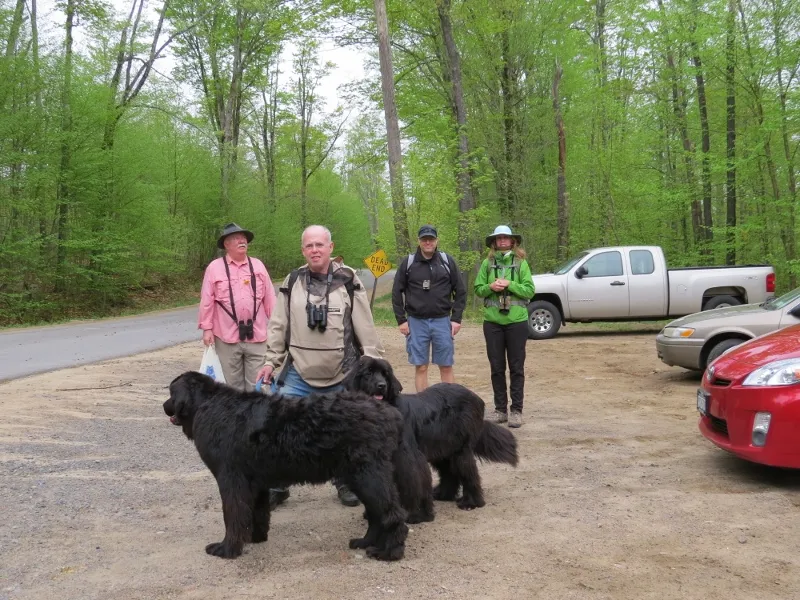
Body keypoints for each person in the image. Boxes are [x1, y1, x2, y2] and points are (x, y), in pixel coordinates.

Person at [256, 225, 385, 508]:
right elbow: (278, 326)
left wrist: (372, 358)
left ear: (331, 247)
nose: (314, 250)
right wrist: (270, 362)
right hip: (299, 374)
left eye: (320, 245)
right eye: (309, 246)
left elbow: (364, 323)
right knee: (279, 430)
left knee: (344, 433)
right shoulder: (292, 281)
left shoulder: (349, 279)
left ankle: (346, 482)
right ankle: (278, 484)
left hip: (341, 374)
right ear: (303, 250)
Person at [198, 223, 276, 392]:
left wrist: (280, 327)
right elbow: (207, 300)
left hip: (257, 335)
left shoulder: (258, 266)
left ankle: (255, 418)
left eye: (244, 238)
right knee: (231, 387)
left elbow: (270, 298)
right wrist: (207, 329)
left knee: (258, 387)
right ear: (226, 244)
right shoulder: (214, 268)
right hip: (225, 336)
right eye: (236, 238)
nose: (242, 241)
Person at [392, 225, 466, 392]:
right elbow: (397, 292)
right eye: (424, 239)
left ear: (436, 240)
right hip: (416, 322)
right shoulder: (409, 263)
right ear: (419, 241)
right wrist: (401, 320)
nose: (428, 242)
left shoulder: (447, 261)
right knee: (421, 367)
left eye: (431, 239)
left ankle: (449, 406)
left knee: (446, 365)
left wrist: (456, 319)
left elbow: (460, 291)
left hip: (442, 321)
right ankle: (424, 407)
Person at [474, 225, 534, 428]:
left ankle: (516, 410)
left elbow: (529, 291)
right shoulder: (487, 264)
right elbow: (478, 289)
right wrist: (491, 287)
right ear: (494, 242)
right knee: (496, 368)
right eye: (498, 238)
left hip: (517, 322)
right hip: (492, 323)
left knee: (516, 368)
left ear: (512, 241)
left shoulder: (521, 263)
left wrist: (509, 284)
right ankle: (500, 410)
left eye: (505, 238)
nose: (502, 241)